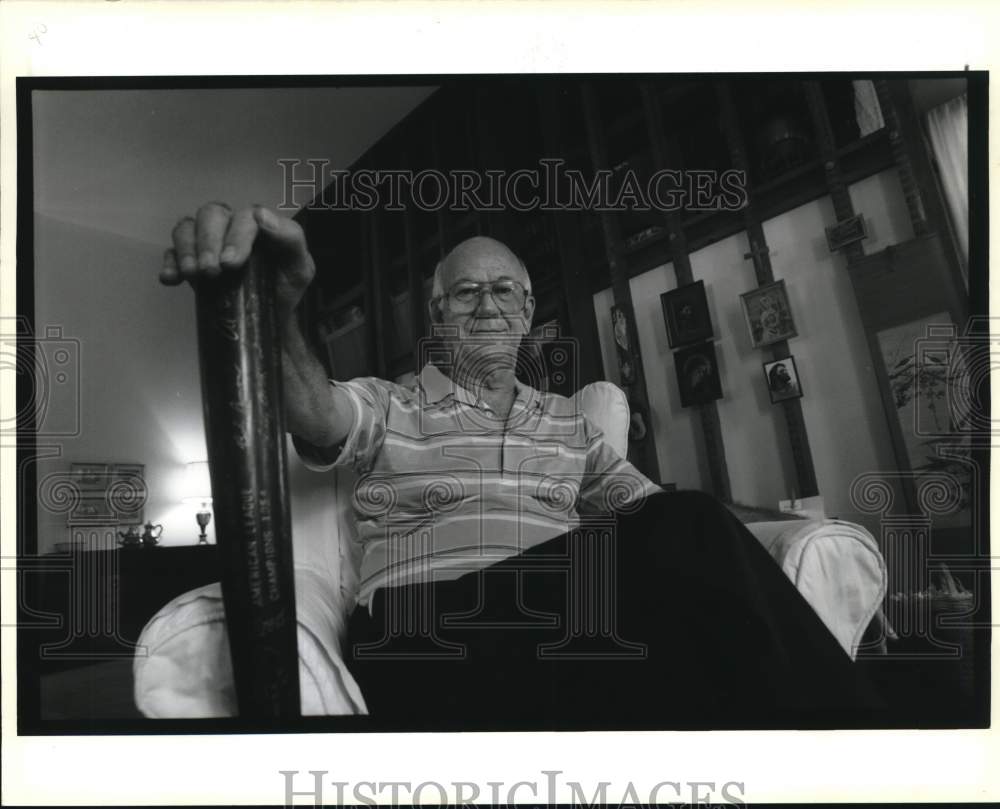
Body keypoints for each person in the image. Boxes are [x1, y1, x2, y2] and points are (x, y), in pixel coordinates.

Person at [162, 203, 883, 728]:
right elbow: (316, 415)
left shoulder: (569, 422)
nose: (486, 305)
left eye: (503, 289)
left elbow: (654, 513)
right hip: (426, 631)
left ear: (529, 309)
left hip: (565, 625)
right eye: (464, 293)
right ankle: (864, 750)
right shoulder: (391, 401)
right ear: (437, 314)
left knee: (687, 575)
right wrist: (278, 310)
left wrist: (768, 524)